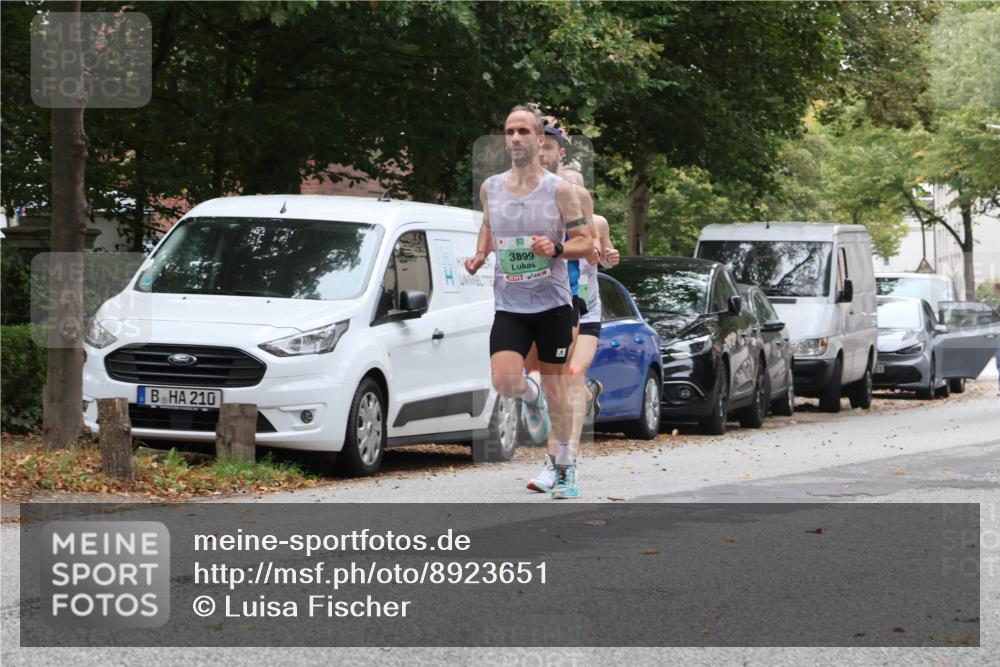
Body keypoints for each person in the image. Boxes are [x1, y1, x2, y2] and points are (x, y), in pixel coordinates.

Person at [464, 104, 594, 499]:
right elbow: (489, 224)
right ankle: (530, 393)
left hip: (553, 305)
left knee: (558, 391)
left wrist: (555, 247)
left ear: (540, 140)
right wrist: (480, 254)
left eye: (523, 131)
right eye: (510, 131)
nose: (516, 137)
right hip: (510, 304)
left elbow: (586, 243)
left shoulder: (560, 190)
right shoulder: (492, 187)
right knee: (504, 382)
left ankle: (566, 468)